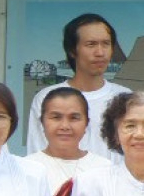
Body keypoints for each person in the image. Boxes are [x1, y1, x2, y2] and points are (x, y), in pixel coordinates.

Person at [26, 13, 127, 155]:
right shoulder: (47, 98)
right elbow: (38, 156)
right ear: (72, 50)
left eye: (106, 44)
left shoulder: (126, 98)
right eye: (91, 44)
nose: (100, 52)